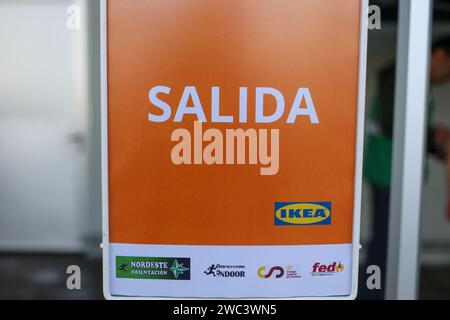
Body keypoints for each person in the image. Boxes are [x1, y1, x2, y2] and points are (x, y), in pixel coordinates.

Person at [363, 36, 450, 300]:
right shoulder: (402, 74)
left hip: (393, 170)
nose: (446, 76)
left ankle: (375, 292)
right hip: (389, 170)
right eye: (448, 67)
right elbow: (397, 125)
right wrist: (433, 140)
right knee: (386, 240)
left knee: (389, 239)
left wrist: (434, 138)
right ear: (438, 56)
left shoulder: (412, 78)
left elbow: (404, 126)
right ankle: (370, 295)